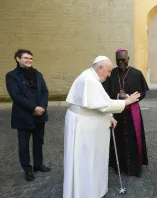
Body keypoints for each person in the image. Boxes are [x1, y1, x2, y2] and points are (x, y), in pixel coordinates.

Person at [63, 56, 140, 198]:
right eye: (108, 71)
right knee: (86, 160)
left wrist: (108, 116)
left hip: (84, 121)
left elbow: (95, 104)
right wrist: (127, 102)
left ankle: (91, 188)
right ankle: (86, 192)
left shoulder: (89, 75)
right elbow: (104, 104)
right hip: (84, 127)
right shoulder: (90, 81)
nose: (109, 74)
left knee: (87, 159)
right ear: (100, 68)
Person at [5, 49, 51, 182]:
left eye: (30, 58)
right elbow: (16, 96)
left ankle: (38, 164)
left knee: (39, 141)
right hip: (23, 115)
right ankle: (27, 169)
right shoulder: (12, 76)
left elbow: (44, 91)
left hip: (40, 114)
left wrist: (42, 106)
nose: (29, 61)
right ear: (17, 59)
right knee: (24, 145)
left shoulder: (38, 74)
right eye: (26, 58)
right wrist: (33, 107)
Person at [102, 48, 149, 177]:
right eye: (118, 60)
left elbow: (143, 92)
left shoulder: (136, 73)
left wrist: (129, 97)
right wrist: (118, 95)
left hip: (132, 112)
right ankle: (119, 166)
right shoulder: (112, 73)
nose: (121, 62)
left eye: (123, 60)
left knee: (134, 139)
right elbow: (105, 92)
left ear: (128, 59)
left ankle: (135, 167)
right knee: (118, 139)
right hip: (117, 112)